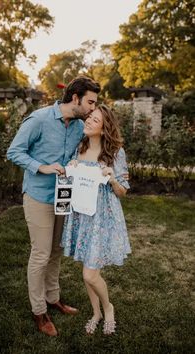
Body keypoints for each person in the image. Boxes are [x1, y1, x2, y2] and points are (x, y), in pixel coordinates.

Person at [6, 76, 101, 337]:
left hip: (64, 197)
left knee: (57, 250)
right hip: (38, 196)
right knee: (40, 253)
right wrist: (42, 167)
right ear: (75, 98)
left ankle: (53, 298)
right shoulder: (39, 119)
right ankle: (39, 311)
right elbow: (14, 151)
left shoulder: (79, 125)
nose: (93, 108)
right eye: (90, 102)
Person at [61, 104, 131, 335]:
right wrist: (70, 169)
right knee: (88, 269)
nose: (88, 121)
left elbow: (123, 191)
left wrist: (112, 178)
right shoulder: (79, 149)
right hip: (81, 215)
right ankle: (96, 312)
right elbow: (71, 183)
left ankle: (108, 307)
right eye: (89, 117)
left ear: (103, 129)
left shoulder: (115, 152)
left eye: (95, 120)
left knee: (89, 273)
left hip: (103, 217)